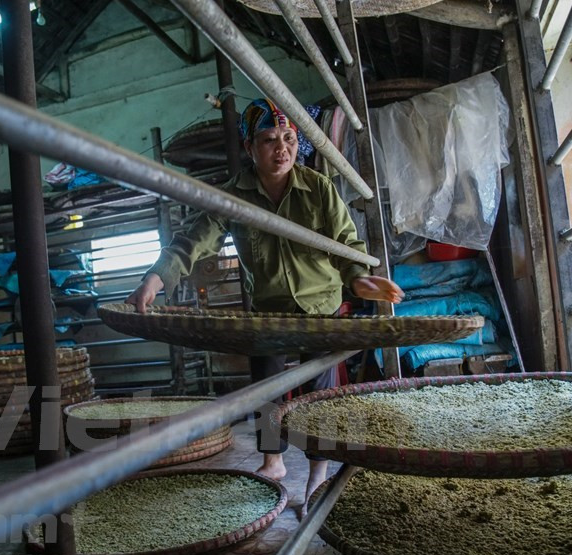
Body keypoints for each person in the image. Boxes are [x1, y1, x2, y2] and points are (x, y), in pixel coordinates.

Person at [126, 98, 403, 509]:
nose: (282, 149)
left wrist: (359, 279)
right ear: (249, 147)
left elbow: (346, 244)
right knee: (266, 382)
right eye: (270, 139)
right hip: (269, 307)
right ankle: (273, 461)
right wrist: (156, 277)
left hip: (319, 304)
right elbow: (192, 240)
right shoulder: (233, 196)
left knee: (321, 386)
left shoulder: (318, 188)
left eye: (289, 138)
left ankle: (317, 471)